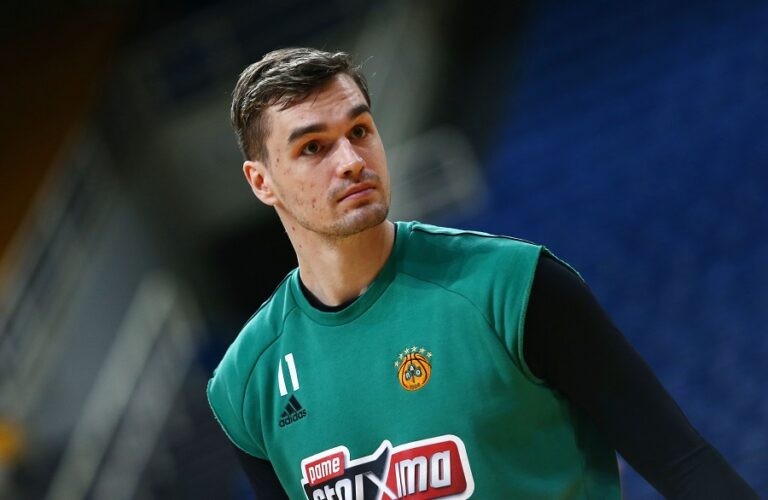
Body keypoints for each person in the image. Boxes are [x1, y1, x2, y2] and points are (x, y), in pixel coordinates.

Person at [207, 47, 757, 499]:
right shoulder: (245, 384)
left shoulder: (514, 286)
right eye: (313, 147)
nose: (351, 160)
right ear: (261, 182)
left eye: (360, 130)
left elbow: (684, 464)